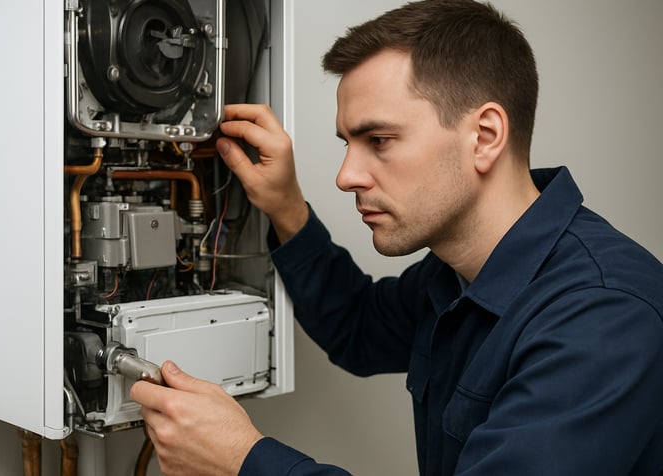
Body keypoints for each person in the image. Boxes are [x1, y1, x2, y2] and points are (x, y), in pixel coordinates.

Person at [130, 0, 663, 474]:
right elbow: (358, 327)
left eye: (378, 139)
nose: (345, 176)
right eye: (347, 143)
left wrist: (243, 460)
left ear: (485, 136)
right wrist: (286, 207)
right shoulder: (458, 273)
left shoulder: (603, 317)